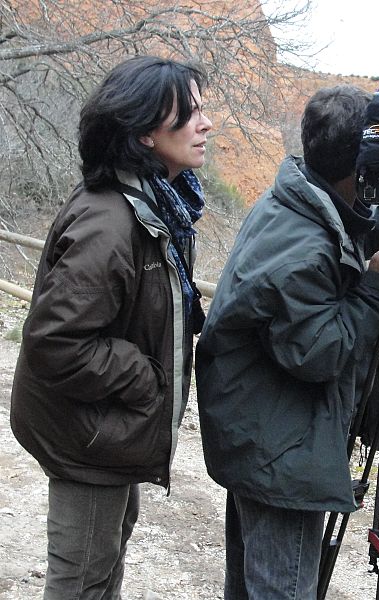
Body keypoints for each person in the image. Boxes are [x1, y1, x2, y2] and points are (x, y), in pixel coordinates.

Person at [10, 55, 212, 599]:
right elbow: (57, 342)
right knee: (82, 585)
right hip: (90, 438)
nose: (206, 124)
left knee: (100, 572)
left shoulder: (155, 208)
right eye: (190, 113)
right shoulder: (111, 221)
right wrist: (147, 378)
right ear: (146, 131)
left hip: (108, 434)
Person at [195, 84, 379, 599]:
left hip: (262, 434)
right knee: (281, 590)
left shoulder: (299, 201)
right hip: (278, 451)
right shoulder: (304, 247)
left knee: (254, 586)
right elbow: (321, 352)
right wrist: (375, 288)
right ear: (363, 166)